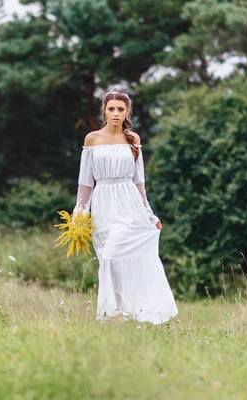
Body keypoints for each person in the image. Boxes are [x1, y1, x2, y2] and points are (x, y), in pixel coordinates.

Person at [74, 88, 178, 325]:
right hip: (102, 207)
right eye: (111, 109)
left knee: (113, 256)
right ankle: (118, 315)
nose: (116, 113)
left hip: (129, 205)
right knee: (107, 260)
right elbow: (85, 184)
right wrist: (78, 216)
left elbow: (139, 183)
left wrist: (150, 215)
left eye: (120, 109)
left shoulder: (133, 140)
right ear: (104, 111)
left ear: (127, 111)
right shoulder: (92, 139)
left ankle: (129, 310)